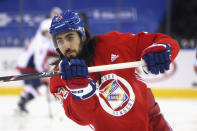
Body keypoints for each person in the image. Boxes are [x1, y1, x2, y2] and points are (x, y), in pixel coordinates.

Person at [49, 10, 180, 131]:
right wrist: (81, 94)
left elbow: (163, 41)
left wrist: (160, 49)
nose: (65, 45)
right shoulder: (58, 79)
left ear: (82, 35)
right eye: (59, 41)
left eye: (70, 37)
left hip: (151, 122)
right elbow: (83, 119)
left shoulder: (112, 44)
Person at [15, 18, 58, 113]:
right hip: (28, 67)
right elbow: (39, 63)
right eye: (48, 32)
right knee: (41, 87)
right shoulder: (41, 43)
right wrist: (45, 76)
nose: (50, 34)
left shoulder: (41, 39)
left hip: (25, 65)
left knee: (31, 87)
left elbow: (52, 51)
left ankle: (21, 103)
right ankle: (22, 104)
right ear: (44, 31)